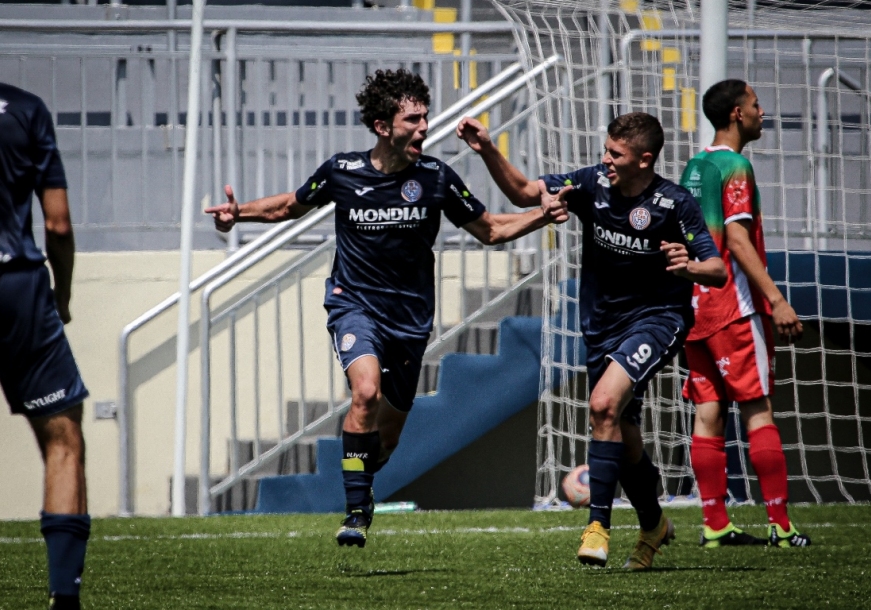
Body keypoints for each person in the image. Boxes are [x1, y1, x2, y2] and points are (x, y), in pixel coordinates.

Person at [206, 68, 564, 548]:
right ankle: (356, 511)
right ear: (382, 126)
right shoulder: (342, 172)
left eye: (425, 118)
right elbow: (288, 207)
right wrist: (238, 213)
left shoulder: (436, 177)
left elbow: (492, 230)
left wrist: (543, 215)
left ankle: (363, 478)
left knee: (387, 440)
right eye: (412, 119)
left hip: (410, 320)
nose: (423, 127)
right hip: (353, 306)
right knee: (365, 394)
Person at [457, 112, 726, 568]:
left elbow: (716, 269)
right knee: (623, 434)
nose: (605, 159)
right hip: (602, 325)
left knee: (602, 405)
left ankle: (597, 525)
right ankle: (654, 524)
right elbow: (526, 193)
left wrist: (688, 267)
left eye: (615, 154)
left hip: (658, 320)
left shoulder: (674, 202)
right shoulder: (591, 184)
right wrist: (486, 148)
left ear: (644, 159)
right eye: (605, 149)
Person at [0, 8, 91, 610]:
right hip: (11, 283)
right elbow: (58, 222)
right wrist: (64, 295)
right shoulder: (24, 110)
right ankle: (63, 598)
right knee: (62, 435)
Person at [680, 79, 811, 548]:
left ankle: (715, 524)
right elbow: (736, 239)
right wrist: (776, 300)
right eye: (756, 105)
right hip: (734, 307)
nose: (762, 112)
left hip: (695, 308)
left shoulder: (695, 165)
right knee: (758, 409)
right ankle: (780, 524)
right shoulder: (736, 166)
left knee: (708, 411)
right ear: (737, 113)